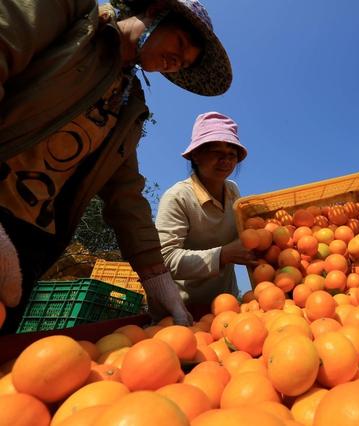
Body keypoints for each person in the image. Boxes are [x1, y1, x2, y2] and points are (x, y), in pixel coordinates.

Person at [0, 0, 234, 331]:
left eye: (181, 63)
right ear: (155, 12)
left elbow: (126, 197)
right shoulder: (74, 19)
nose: (174, 62)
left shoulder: (128, 105)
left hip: (30, 242)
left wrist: (157, 279)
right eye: (179, 44)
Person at [155, 112, 257, 312]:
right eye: (216, 152)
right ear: (196, 155)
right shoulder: (178, 197)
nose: (226, 160)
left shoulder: (232, 191)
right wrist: (222, 255)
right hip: (183, 310)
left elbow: (243, 234)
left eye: (231, 154)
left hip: (226, 307)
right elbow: (164, 260)